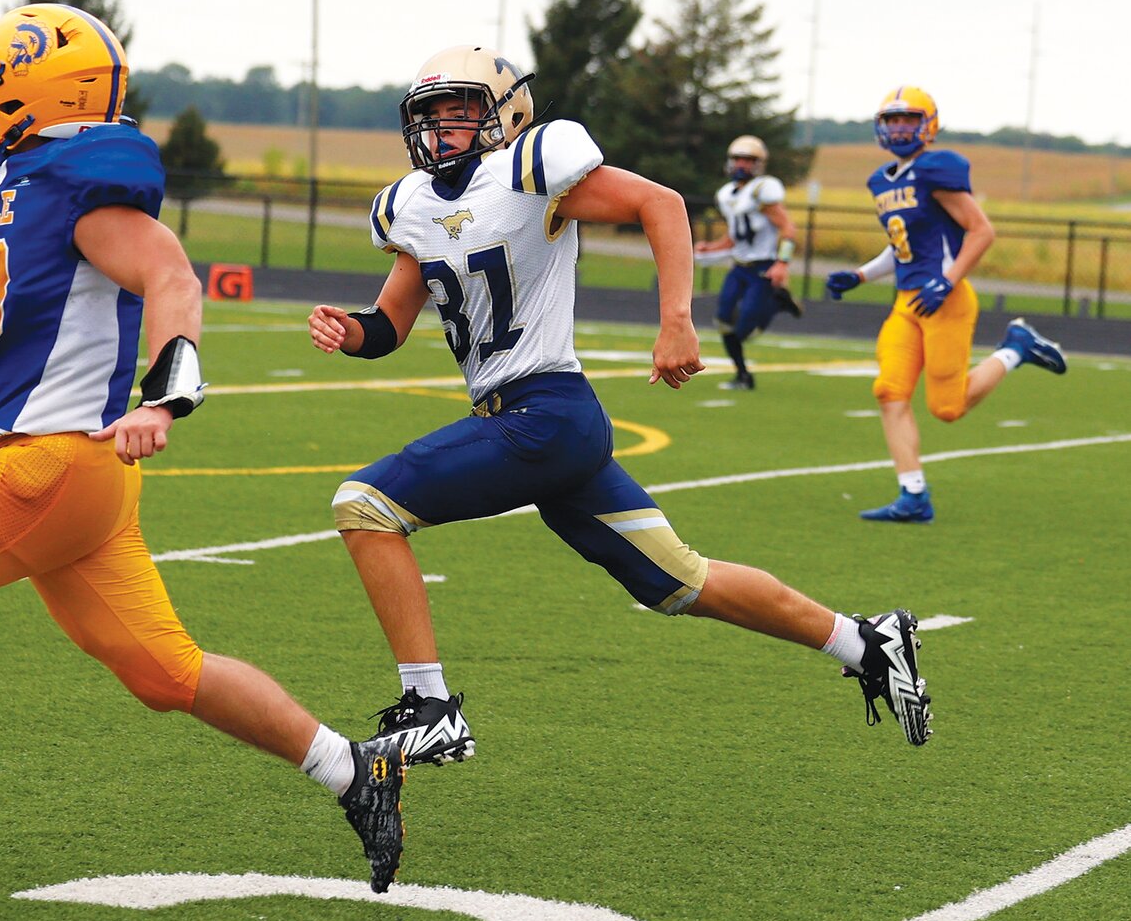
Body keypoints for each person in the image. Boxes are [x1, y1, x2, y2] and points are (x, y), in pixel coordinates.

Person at [0, 4, 404, 894]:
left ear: (34, 91)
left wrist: (166, 396)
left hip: (46, 463)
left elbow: (170, 273)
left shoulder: (76, 183)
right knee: (167, 671)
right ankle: (349, 767)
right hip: (77, 482)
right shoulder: (3, 181)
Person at [307, 45, 935, 758]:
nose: (443, 129)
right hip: (542, 427)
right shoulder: (409, 207)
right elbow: (390, 324)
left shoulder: (531, 167)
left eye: (462, 112)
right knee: (679, 580)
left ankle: (429, 704)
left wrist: (676, 319)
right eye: (431, 116)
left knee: (364, 504)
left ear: (506, 114)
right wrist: (350, 329)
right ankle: (866, 640)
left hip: (544, 413)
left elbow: (658, 203)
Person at [825, 86, 1067, 523]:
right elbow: (901, 246)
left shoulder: (938, 169)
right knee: (888, 391)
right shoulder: (881, 180)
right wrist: (860, 275)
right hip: (906, 302)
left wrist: (946, 281)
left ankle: (1016, 347)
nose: (899, 128)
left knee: (947, 408)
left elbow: (981, 231)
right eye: (892, 120)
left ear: (928, 124)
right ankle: (913, 496)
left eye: (908, 119)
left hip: (946, 301)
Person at [693, 135, 804, 390]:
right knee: (723, 321)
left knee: (744, 330)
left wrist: (782, 263)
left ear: (758, 164)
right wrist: (712, 247)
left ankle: (777, 302)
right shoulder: (726, 194)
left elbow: (788, 228)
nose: (742, 164)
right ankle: (743, 375)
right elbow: (735, 236)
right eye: (738, 159)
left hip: (763, 268)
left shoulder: (762, 190)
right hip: (739, 267)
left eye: (748, 160)